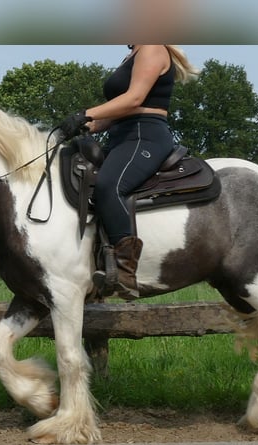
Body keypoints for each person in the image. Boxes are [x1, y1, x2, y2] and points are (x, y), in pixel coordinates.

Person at [59, 44, 199, 299]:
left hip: (144, 136)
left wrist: (84, 114)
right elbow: (120, 110)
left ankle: (125, 272)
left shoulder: (152, 48)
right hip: (122, 135)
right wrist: (83, 126)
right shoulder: (131, 56)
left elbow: (134, 99)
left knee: (109, 185)